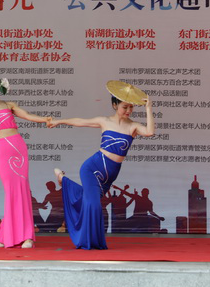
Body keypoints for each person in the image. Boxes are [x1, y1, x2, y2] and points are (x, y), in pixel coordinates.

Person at [48, 81, 154, 249]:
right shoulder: (104, 121)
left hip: (110, 175)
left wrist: (148, 108)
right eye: (124, 107)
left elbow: (150, 132)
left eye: (131, 107)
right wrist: (59, 121)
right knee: (94, 205)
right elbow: (79, 121)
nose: (128, 110)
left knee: (88, 201)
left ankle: (64, 181)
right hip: (92, 168)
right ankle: (88, 242)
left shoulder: (133, 126)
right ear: (115, 105)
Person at [0, 72, 51, 248]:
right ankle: (4, 232)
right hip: (2, 151)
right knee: (11, 192)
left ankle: (26, 236)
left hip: (19, 148)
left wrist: (45, 119)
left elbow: (28, 115)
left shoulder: (9, 105)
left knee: (22, 190)